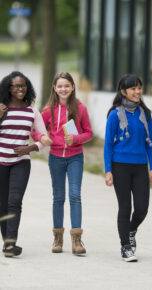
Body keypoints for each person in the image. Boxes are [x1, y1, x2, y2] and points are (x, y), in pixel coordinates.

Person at [32, 72, 93, 255]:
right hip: (56, 158)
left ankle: (76, 239)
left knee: (75, 196)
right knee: (58, 197)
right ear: (54, 88)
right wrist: (42, 137)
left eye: (67, 85)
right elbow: (35, 132)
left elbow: (89, 133)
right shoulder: (48, 110)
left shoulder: (80, 108)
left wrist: (75, 138)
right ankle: (58, 238)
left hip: (75, 157)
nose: (63, 89)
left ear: (73, 87)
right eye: (60, 86)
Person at [104, 74, 152, 262]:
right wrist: (108, 170)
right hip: (120, 167)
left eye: (139, 88)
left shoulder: (146, 115)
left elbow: (150, 144)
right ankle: (126, 247)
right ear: (123, 92)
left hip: (141, 167)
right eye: (133, 88)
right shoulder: (114, 115)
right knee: (125, 207)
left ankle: (131, 230)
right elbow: (108, 145)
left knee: (142, 209)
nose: (137, 92)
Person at [0, 71, 52, 257]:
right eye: (16, 86)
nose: (20, 89)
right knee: (2, 205)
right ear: (9, 88)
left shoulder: (32, 111)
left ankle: (10, 244)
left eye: (23, 85)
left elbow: (45, 140)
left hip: (21, 163)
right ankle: (7, 241)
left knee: (14, 202)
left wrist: (29, 148)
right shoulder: (2, 108)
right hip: (1, 162)